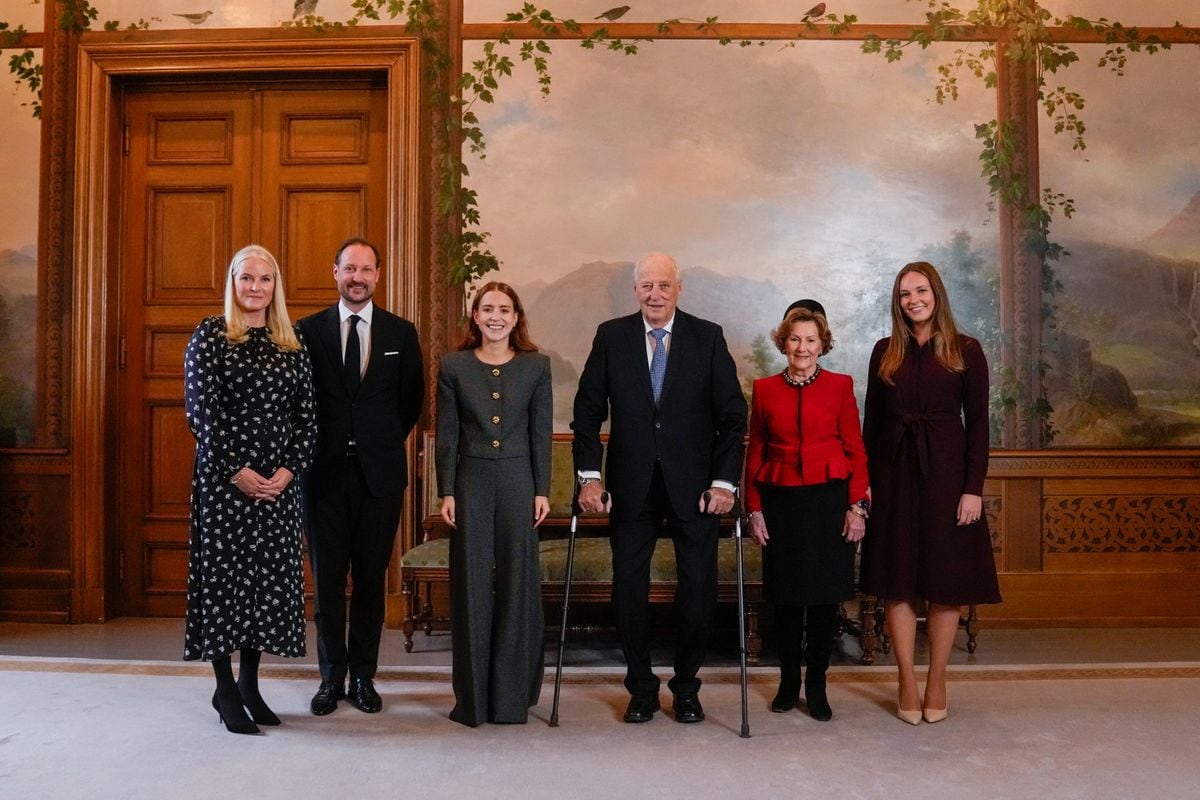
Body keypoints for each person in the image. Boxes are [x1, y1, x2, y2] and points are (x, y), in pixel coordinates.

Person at [572, 252, 747, 724]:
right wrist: (590, 478)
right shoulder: (612, 337)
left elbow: (733, 418)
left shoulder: (707, 338)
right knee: (629, 588)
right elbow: (587, 411)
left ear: (679, 288)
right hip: (630, 487)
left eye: (663, 286)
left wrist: (724, 482)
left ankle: (687, 688)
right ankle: (642, 689)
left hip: (696, 488)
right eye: (646, 285)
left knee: (698, 589)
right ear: (635, 290)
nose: (654, 294)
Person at [860, 261, 1001, 725]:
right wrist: (865, 487)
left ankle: (937, 678)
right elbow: (871, 427)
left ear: (936, 294)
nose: (913, 300)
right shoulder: (885, 351)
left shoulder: (966, 350)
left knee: (947, 581)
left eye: (920, 291)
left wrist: (972, 490)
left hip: (948, 478)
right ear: (897, 302)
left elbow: (979, 426)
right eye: (904, 294)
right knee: (897, 580)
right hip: (893, 476)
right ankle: (905, 677)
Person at [183, 244, 316, 736]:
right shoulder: (211, 336)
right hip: (224, 485)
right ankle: (223, 689)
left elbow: (307, 418)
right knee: (224, 584)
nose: (255, 287)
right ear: (232, 282)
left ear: (275, 286)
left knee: (265, 585)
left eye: (264, 279)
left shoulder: (292, 342)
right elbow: (202, 414)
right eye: (246, 278)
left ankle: (250, 684)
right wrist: (236, 470)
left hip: (277, 489)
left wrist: (287, 471)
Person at [297, 237, 424, 716]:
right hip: (322, 476)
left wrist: (377, 439)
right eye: (349, 268)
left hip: (379, 478)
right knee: (328, 582)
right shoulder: (307, 332)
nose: (357, 277)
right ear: (335, 273)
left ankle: (364, 678)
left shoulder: (400, 333)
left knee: (371, 582)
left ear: (378, 275)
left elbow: (410, 402)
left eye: (366, 270)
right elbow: (298, 403)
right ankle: (330, 677)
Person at [436, 282, 553, 726]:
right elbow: (448, 436)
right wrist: (446, 490)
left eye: (505, 309)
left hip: (520, 483)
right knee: (469, 586)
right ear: (476, 317)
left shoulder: (536, 366)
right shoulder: (454, 366)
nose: (496, 317)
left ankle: (511, 699)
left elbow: (541, 433)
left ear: (517, 317)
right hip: (471, 483)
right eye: (487, 309)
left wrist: (542, 490)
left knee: (518, 587)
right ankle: (473, 700)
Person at [745, 300, 868, 721]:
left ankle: (816, 685)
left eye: (810, 339)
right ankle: (786, 683)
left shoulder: (839, 386)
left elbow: (855, 449)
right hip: (780, 504)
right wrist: (755, 510)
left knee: (821, 602)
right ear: (784, 342)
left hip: (828, 503)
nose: (802, 347)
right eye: (795, 338)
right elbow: (754, 453)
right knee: (784, 601)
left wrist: (857, 507)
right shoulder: (764, 390)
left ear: (822, 344)